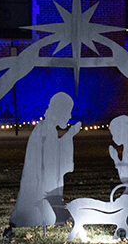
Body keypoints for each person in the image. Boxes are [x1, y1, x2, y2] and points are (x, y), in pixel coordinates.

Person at [11, 92, 81, 227]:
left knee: (55, 215)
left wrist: (70, 135)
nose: (70, 116)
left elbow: (55, 152)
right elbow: (50, 162)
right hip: (39, 192)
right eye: (68, 112)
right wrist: (69, 136)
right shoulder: (45, 130)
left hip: (44, 190)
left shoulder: (47, 128)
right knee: (49, 218)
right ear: (60, 110)